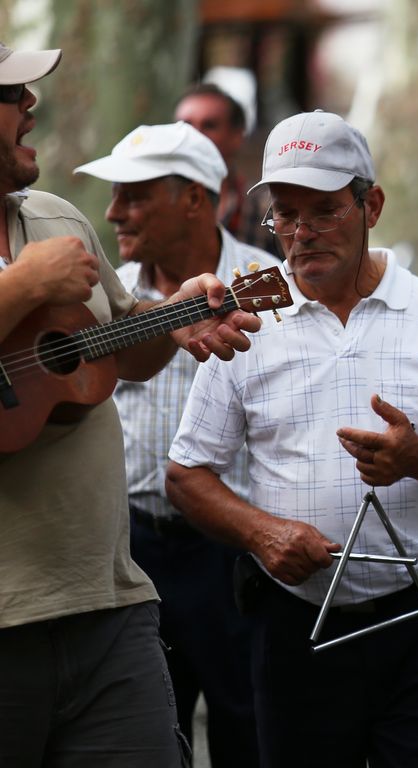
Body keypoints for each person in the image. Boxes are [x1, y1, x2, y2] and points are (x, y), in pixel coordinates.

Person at [165, 110, 418, 766]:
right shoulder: (249, 318)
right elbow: (187, 474)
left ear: (371, 204)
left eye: (324, 211)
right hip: (297, 624)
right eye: (285, 215)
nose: (301, 234)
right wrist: (262, 534)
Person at [0, 42, 260, 767]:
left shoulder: (56, 221)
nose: (30, 105)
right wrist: (22, 288)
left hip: (110, 604)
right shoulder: (43, 259)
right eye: (9, 94)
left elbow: (114, 348)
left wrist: (169, 322)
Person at [74, 121, 276, 767]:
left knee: (249, 724)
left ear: (194, 198)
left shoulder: (266, 283)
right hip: (133, 549)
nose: (112, 212)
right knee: (142, 734)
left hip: (235, 553)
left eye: (133, 195)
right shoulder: (102, 297)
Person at [175, 82, 275, 253]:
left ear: (237, 136)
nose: (193, 135)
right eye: (185, 125)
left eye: (209, 125)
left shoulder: (265, 210)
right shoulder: (158, 208)